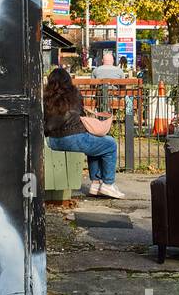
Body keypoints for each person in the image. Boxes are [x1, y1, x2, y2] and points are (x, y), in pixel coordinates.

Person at [44, 67, 124, 199]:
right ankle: (108, 184)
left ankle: (96, 184)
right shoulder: (74, 94)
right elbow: (80, 115)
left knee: (96, 146)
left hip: (53, 141)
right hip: (74, 138)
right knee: (110, 144)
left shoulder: (46, 98)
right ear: (67, 81)